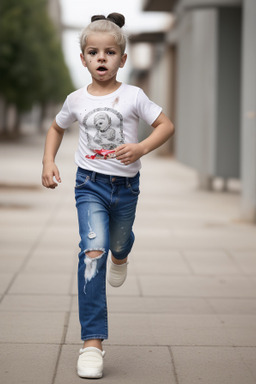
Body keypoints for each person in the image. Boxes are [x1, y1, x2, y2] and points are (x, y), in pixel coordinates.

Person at [42, 12, 174, 379]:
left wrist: (141, 148)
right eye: (94, 52)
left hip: (125, 188)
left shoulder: (134, 96)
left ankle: (123, 253)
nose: (102, 58)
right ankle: (92, 343)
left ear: (123, 59)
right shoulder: (76, 99)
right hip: (89, 186)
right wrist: (48, 161)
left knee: (117, 243)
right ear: (83, 58)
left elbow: (166, 125)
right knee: (92, 251)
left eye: (110, 52)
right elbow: (56, 127)